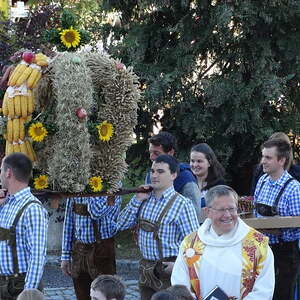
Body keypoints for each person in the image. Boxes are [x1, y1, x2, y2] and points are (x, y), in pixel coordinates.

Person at [115, 155, 199, 300]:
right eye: (152, 171)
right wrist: (137, 199)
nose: (154, 175)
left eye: (160, 171)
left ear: (173, 175)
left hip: (168, 270)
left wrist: (180, 266)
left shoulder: (183, 205)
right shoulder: (143, 200)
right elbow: (119, 224)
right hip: (145, 270)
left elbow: (195, 245)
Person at [171, 185, 275, 299]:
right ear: (207, 212)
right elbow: (180, 285)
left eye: (231, 209)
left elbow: (264, 290)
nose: (227, 215)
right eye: (221, 210)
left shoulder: (258, 245)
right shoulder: (190, 244)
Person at [254, 138, 300, 300]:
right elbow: (255, 213)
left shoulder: (294, 188)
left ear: (281, 160)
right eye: (262, 156)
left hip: (285, 253)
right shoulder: (262, 181)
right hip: (262, 249)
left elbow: (296, 225)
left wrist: (273, 229)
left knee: (282, 295)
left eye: (268, 158)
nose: (262, 161)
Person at [0, 153, 48, 300]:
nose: (0, 174)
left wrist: (28, 294)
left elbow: (38, 256)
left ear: (8, 173)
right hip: (4, 285)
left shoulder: (32, 208)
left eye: (1, 170)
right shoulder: (7, 203)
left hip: (19, 287)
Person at [61, 194, 122, 300]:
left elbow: (96, 213)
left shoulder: (112, 185)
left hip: (102, 250)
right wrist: (65, 255)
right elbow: (69, 222)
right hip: (79, 251)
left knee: (105, 294)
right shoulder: (77, 186)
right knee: (81, 295)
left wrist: (90, 189)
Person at [145, 131, 201, 219]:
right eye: (150, 152)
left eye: (156, 153)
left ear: (170, 152)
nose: (151, 157)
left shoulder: (186, 179)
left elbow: (194, 216)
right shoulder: (150, 175)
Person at [190, 143, 225, 222]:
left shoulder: (219, 186)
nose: (195, 164)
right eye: (192, 161)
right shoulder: (187, 184)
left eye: (199, 161)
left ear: (209, 162)